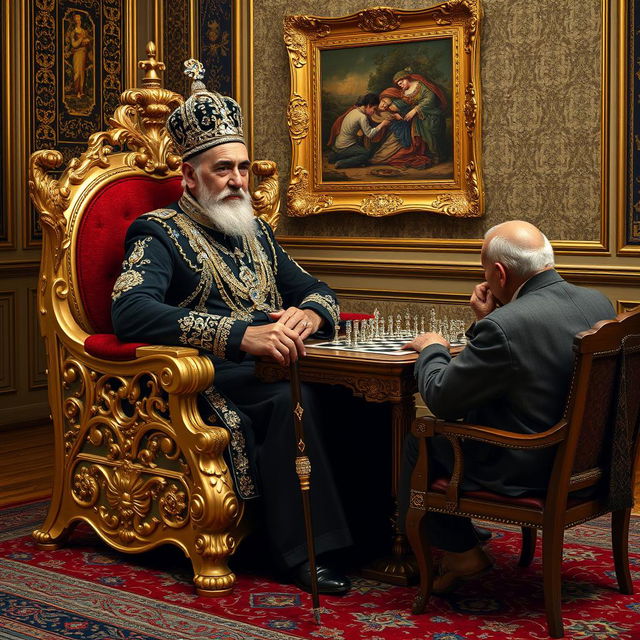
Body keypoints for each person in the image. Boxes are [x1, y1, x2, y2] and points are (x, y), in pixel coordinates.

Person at [111, 58, 351, 594]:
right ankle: (306, 552)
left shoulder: (256, 232)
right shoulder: (156, 232)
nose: (239, 180)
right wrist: (240, 335)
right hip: (205, 379)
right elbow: (130, 313)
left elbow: (317, 290)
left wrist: (308, 314)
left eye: (242, 167)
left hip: (268, 366)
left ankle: (373, 535)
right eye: (224, 170)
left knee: (351, 396)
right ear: (190, 176)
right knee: (298, 403)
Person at [399, 220, 614, 593]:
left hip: (527, 466)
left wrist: (433, 347)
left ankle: (463, 553)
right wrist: (490, 321)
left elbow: (442, 397)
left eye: (485, 271)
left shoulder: (506, 326)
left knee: (420, 440)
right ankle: (464, 531)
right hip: (590, 462)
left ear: (499, 272)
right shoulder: (596, 302)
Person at [385, 67, 447, 164]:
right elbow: (404, 103)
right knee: (414, 131)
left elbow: (430, 99)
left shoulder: (420, 86)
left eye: (401, 83)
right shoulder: (404, 92)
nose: (400, 86)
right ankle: (425, 153)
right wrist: (393, 106)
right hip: (417, 117)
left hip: (430, 113)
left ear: (406, 78)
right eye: (399, 85)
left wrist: (415, 110)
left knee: (427, 128)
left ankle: (436, 154)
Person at [327, 93, 391, 168]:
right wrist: (382, 124)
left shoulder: (354, 111)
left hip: (338, 144)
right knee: (366, 154)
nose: (374, 111)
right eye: (374, 109)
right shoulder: (362, 117)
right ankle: (341, 163)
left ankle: (334, 156)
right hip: (345, 146)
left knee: (360, 147)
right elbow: (370, 134)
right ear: (368, 105)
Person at [68, 13, 90, 98]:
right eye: (77, 20)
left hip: (83, 53)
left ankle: (81, 91)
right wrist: (81, 39)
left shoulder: (84, 31)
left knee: (82, 72)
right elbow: (74, 44)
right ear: (74, 21)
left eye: (79, 19)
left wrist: (87, 42)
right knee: (77, 72)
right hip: (77, 53)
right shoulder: (73, 32)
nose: (79, 21)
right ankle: (76, 91)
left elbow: (88, 43)